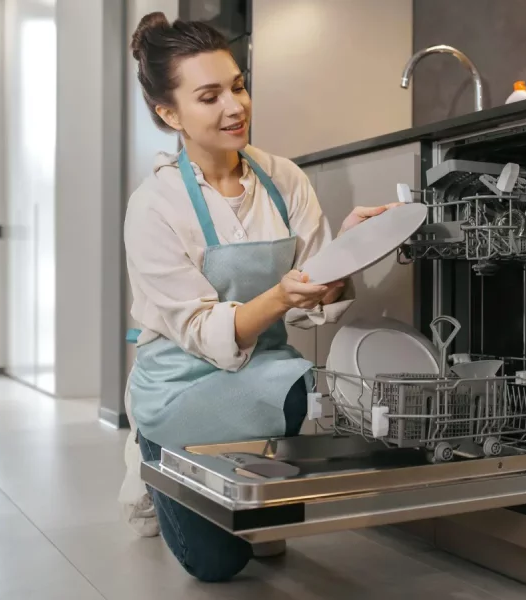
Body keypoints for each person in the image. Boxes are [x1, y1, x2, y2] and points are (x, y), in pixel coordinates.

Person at [120, 12, 396, 582]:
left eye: (239, 86)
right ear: (169, 114)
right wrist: (280, 294)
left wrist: (347, 250)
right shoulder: (154, 206)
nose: (234, 107)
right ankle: (154, 446)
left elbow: (315, 295)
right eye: (210, 96)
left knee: (296, 388)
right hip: (182, 383)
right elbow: (199, 329)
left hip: (265, 373)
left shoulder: (283, 178)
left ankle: (238, 479)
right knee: (218, 566)